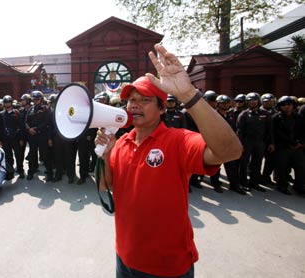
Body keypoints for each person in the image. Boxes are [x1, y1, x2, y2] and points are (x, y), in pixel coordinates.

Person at [95, 44, 242, 278]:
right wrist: (104, 156)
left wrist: (188, 95)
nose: (134, 105)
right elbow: (105, 187)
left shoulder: (178, 141)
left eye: (144, 100)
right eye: (130, 100)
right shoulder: (121, 143)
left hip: (167, 267)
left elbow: (230, 151)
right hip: (125, 258)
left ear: (162, 108)